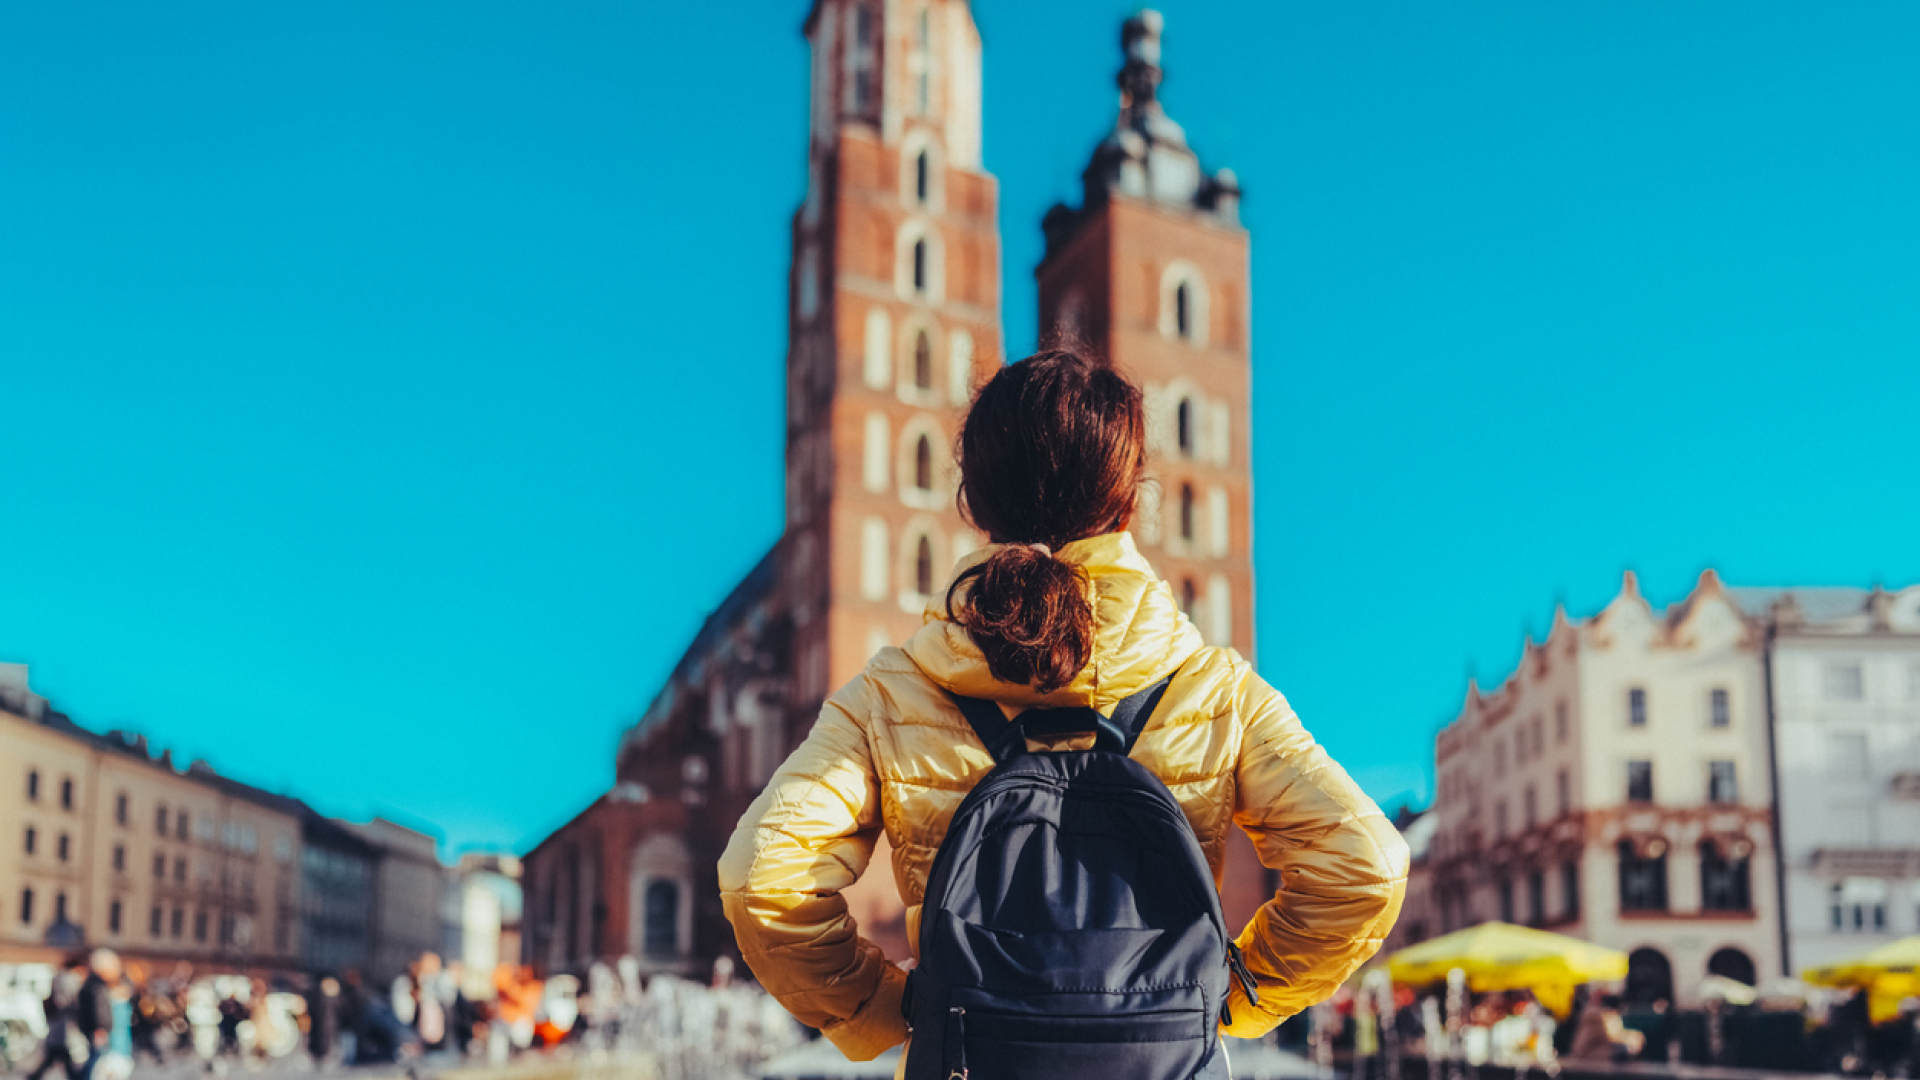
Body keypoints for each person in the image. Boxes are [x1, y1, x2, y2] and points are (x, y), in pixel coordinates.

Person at [719, 349, 1410, 1062]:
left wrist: (882, 1009)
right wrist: (1231, 993)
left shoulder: (892, 693)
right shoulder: (1216, 688)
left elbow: (759, 878)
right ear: (1128, 500)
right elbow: (1368, 865)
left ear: (973, 502)